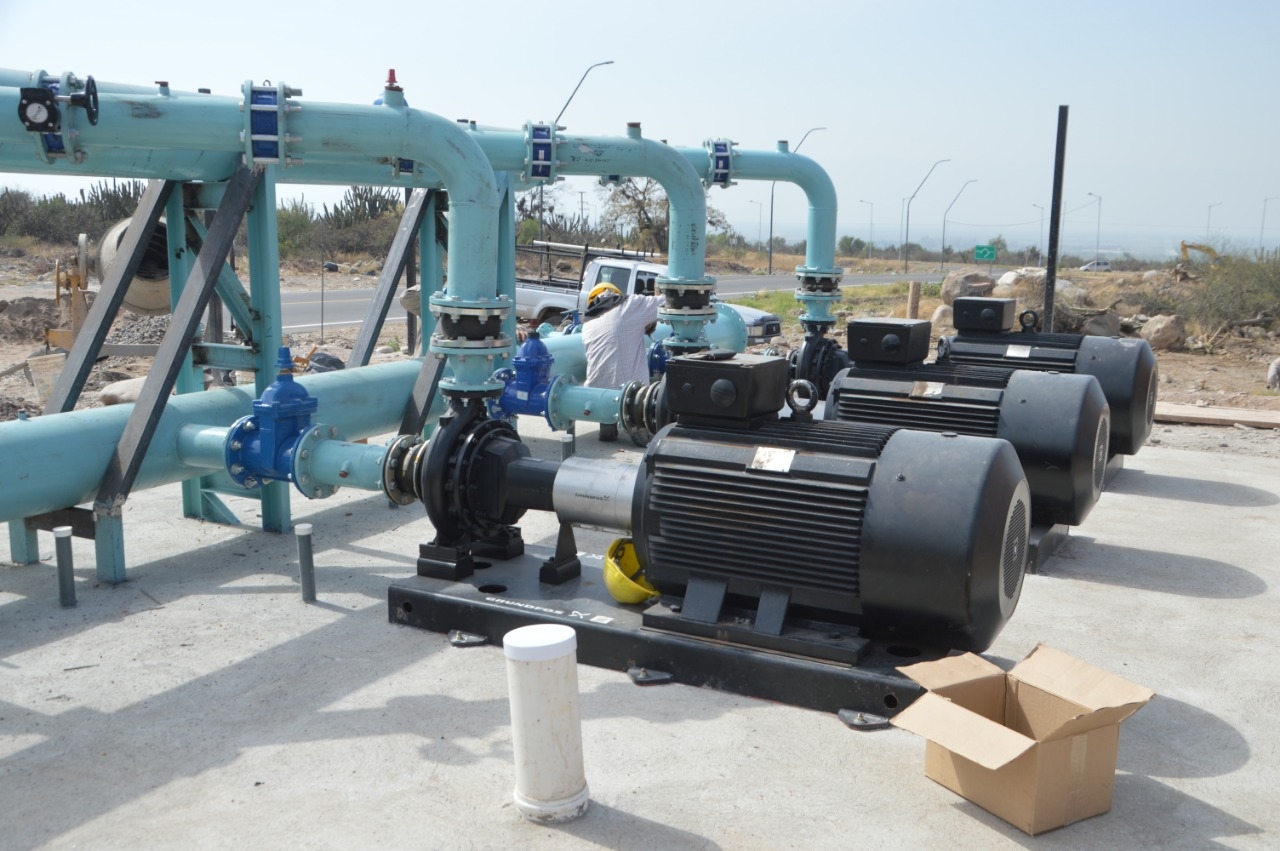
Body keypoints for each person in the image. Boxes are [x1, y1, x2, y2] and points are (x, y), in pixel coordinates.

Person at [580, 282, 662, 441]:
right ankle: (638, 429)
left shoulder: (587, 325)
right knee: (645, 437)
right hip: (631, 395)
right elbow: (666, 302)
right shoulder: (628, 305)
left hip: (596, 396)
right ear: (617, 295)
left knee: (607, 387)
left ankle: (607, 427)